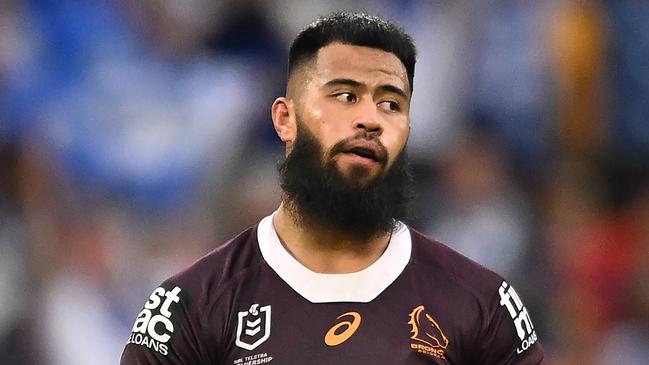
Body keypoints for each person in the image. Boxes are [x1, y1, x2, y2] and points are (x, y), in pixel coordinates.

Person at [120, 11, 544, 364]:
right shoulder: (192, 307)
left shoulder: (480, 304)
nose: (370, 120)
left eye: (391, 103)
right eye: (345, 96)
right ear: (286, 119)